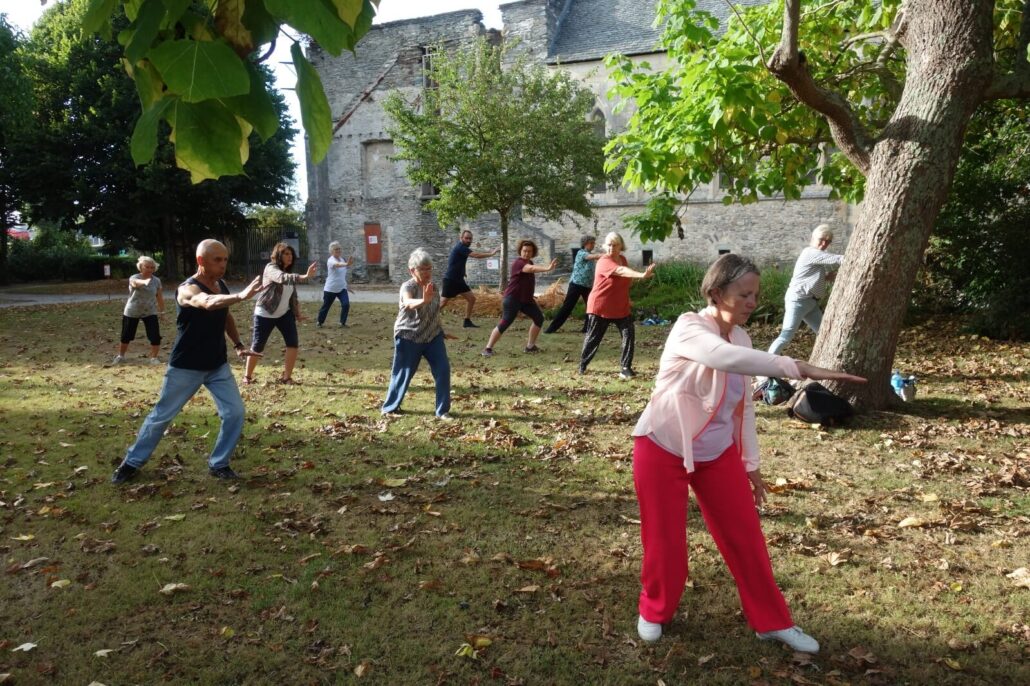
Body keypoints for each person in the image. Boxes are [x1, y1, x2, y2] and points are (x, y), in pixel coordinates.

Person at [630, 253, 866, 650]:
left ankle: (771, 622)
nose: (752, 302)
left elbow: (743, 409)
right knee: (665, 543)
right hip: (663, 445)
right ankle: (654, 609)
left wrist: (749, 465)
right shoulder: (689, 327)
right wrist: (795, 367)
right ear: (716, 293)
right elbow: (721, 357)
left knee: (747, 539)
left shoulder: (742, 337)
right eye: (744, 294)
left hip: (717, 453)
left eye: (755, 294)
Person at [110, 240, 267, 484]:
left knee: (235, 413)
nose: (223, 265)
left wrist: (238, 345)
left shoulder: (221, 284)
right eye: (217, 260)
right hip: (186, 366)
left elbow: (225, 316)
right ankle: (131, 463)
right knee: (161, 417)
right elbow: (206, 302)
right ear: (201, 261)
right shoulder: (186, 289)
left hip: (217, 365)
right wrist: (241, 296)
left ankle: (219, 463)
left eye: (225, 259)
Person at [382, 249, 456, 419]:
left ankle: (442, 411)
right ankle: (389, 408)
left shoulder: (433, 287)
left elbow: (434, 312)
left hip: (432, 337)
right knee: (403, 373)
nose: (427, 272)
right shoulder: (408, 287)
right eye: (422, 269)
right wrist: (423, 300)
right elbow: (408, 303)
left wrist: (441, 331)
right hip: (409, 336)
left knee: (443, 370)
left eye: (429, 268)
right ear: (412, 270)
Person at [580, 232, 655, 379]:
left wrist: (627, 299)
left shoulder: (622, 259)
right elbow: (621, 271)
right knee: (594, 338)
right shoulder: (603, 261)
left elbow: (624, 281)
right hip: (600, 307)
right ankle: (583, 364)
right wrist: (641, 275)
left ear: (621, 246)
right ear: (605, 246)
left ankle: (625, 368)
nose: (611, 248)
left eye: (615, 245)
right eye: (609, 245)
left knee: (629, 334)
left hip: (620, 306)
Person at [243, 243, 317, 385]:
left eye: (291, 254)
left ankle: (287, 377)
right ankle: (247, 376)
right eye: (286, 254)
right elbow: (282, 278)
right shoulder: (271, 268)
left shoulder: (288, 272)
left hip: (284, 314)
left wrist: (297, 313)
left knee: (293, 343)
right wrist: (305, 276)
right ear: (278, 255)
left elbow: (293, 296)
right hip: (265, 313)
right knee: (258, 346)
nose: (290, 257)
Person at [767, 224, 843, 355]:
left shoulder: (816, 255)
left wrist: (826, 277)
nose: (824, 244)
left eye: (828, 241)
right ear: (813, 238)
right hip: (798, 300)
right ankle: (766, 364)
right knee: (786, 336)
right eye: (821, 239)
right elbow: (839, 259)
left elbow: (808, 275)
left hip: (810, 303)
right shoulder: (810, 252)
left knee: (824, 334)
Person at [482, 239, 557, 357]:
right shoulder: (519, 263)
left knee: (539, 318)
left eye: (529, 251)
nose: (526, 253)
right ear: (520, 251)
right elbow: (530, 269)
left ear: (533, 252)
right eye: (524, 251)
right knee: (505, 322)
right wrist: (547, 268)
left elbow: (529, 274)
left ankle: (530, 347)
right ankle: (487, 349)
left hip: (526, 300)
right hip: (512, 299)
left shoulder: (530, 262)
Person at [441, 229, 499, 328]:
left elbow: (457, 261)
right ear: (461, 238)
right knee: (443, 303)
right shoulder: (461, 247)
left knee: (471, 299)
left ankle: (467, 321)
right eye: (466, 238)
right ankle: (428, 319)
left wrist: (463, 272)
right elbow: (476, 255)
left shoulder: (462, 248)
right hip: (451, 280)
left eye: (470, 239)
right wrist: (491, 254)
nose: (468, 240)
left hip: (459, 280)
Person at [544, 235, 601, 334]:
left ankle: (587, 328)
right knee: (567, 307)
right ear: (585, 244)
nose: (593, 245)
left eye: (593, 243)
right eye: (591, 243)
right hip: (576, 285)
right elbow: (591, 257)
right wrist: (604, 255)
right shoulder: (581, 253)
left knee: (591, 307)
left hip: (587, 286)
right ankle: (551, 329)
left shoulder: (589, 254)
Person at [113, 256, 165, 365]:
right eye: (147, 267)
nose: (150, 269)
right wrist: (144, 281)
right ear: (141, 267)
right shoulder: (134, 277)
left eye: (152, 267)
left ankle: (154, 358)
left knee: (155, 336)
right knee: (126, 335)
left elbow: (159, 297)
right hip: (132, 311)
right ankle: (121, 356)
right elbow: (134, 283)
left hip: (150, 311)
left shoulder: (156, 281)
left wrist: (162, 312)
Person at [317, 241, 354, 328]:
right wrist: (347, 264)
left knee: (346, 304)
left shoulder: (342, 259)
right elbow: (337, 265)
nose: (338, 250)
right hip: (330, 289)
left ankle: (342, 323)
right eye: (336, 249)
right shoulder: (330, 260)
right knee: (326, 306)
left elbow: (342, 275)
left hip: (341, 288)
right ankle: (320, 322)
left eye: (339, 249)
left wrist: (347, 286)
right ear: (331, 251)